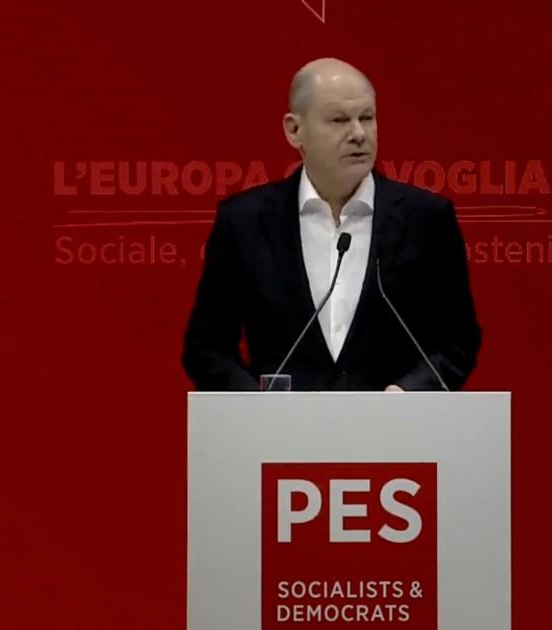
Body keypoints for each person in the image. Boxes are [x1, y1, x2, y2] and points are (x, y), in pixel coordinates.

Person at [181, 58, 480, 391]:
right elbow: (206, 347)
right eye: (339, 120)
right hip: (279, 424)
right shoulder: (244, 222)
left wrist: (408, 391)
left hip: (394, 422)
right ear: (294, 130)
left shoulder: (426, 218)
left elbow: (458, 340)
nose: (358, 134)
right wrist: (258, 404)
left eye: (367, 118)